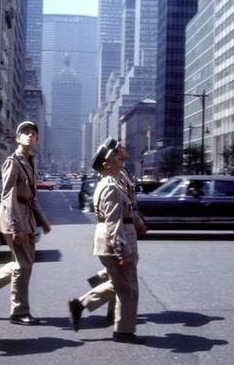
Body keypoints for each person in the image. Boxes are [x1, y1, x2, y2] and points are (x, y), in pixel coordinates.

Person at [68, 144, 145, 344]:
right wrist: (122, 251)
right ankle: (123, 332)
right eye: (115, 156)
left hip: (116, 239)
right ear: (106, 164)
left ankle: (81, 305)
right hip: (115, 241)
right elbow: (113, 223)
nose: (120, 158)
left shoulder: (114, 181)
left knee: (121, 285)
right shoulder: (111, 186)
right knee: (127, 288)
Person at [0, 121, 51, 325]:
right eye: (25, 132)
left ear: (37, 140)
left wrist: (43, 221)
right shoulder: (12, 161)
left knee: (23, 263)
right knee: (23, 266)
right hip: (13, 216)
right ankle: (19, 311)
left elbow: (31, 196)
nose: (29, 135)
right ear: (17, 138)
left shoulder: (32, 161)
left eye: (33, 133)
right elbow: (7, 195)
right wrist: (15, 226)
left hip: (25, 216)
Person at [84, 138, 147, 324]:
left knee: (122, 279)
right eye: (119, 148)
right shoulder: (111, 177)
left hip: (126, 227)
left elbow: (130, 202)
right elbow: (113, 216)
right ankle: (112, 316)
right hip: (118, 230)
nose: (122, 151)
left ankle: (100, 289)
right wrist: (122, 250)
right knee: (124, 282)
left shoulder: (123, 171)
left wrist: (138, 221)